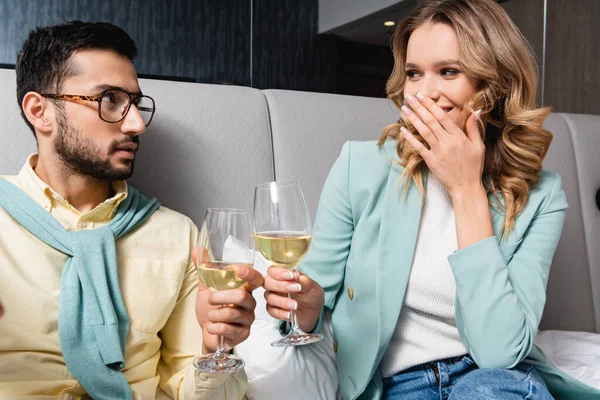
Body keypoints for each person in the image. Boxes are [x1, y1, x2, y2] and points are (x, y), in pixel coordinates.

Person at [263, 0, 600, 399]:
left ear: (495, 85)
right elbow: (313, 299)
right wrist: (305, 306)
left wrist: (466, 190)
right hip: (398, 386)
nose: (424, 93)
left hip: (493, 381)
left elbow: (500, 351)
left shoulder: (543, 195)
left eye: (449, 72)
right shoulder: (360, 167)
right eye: (413, 74)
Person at [0, 21, 262, 399]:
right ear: (40, 112)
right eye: (110, 100)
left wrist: (212, 347)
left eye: (135, 103)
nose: (137, 124)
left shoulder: (179, 236)